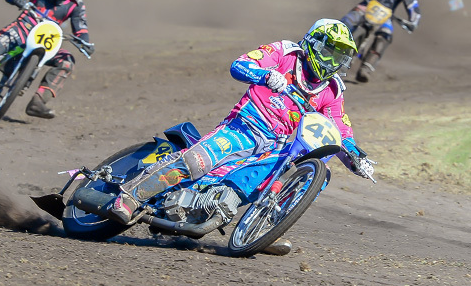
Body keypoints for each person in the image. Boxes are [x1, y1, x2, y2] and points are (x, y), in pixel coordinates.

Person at [108, 18, 374, 226]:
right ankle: (131, 196)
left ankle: (265, 227)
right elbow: (240, 64)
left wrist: (356, 158)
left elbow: (339, 129)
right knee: (197, 162)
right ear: (314, 43)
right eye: (329, 52)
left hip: (275, 146)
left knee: (303, 176)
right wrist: (265, 77)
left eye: (340, 58)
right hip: (243, 127)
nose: (332, 62)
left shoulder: (333, 90)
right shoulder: (285, 53)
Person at [340, 0, 421, 82]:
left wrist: (413, 21)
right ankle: (330, 48)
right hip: (368, 4)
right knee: (348, 21)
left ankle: (366, 68)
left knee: (385, 36)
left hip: (386, 16)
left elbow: (413, 6)